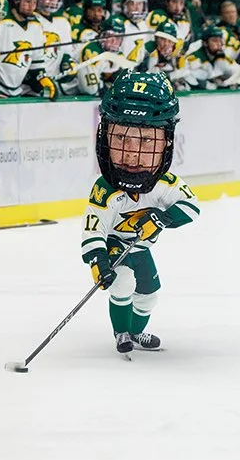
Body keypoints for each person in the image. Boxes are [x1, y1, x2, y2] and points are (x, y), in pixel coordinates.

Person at [82, 72, 200, 357]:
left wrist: (160, 219)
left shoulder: (164, 183)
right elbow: (94, 229)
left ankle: (135, 331)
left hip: (141, 248)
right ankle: (121, 331)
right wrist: (98, 260)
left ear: (166, 142)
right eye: (122, 138)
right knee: (122, 283)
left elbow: (191, 206)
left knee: (149, 293)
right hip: (116, 247)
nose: (132, 153)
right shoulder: (105, 190)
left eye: (147, 141)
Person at [0, 0, 56, 98]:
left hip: (17, 93)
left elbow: (36, 64)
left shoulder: (36, 26)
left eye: (34, 2)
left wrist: (41, 78)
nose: (31, 6)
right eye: (27, 1)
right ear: (17, 0)